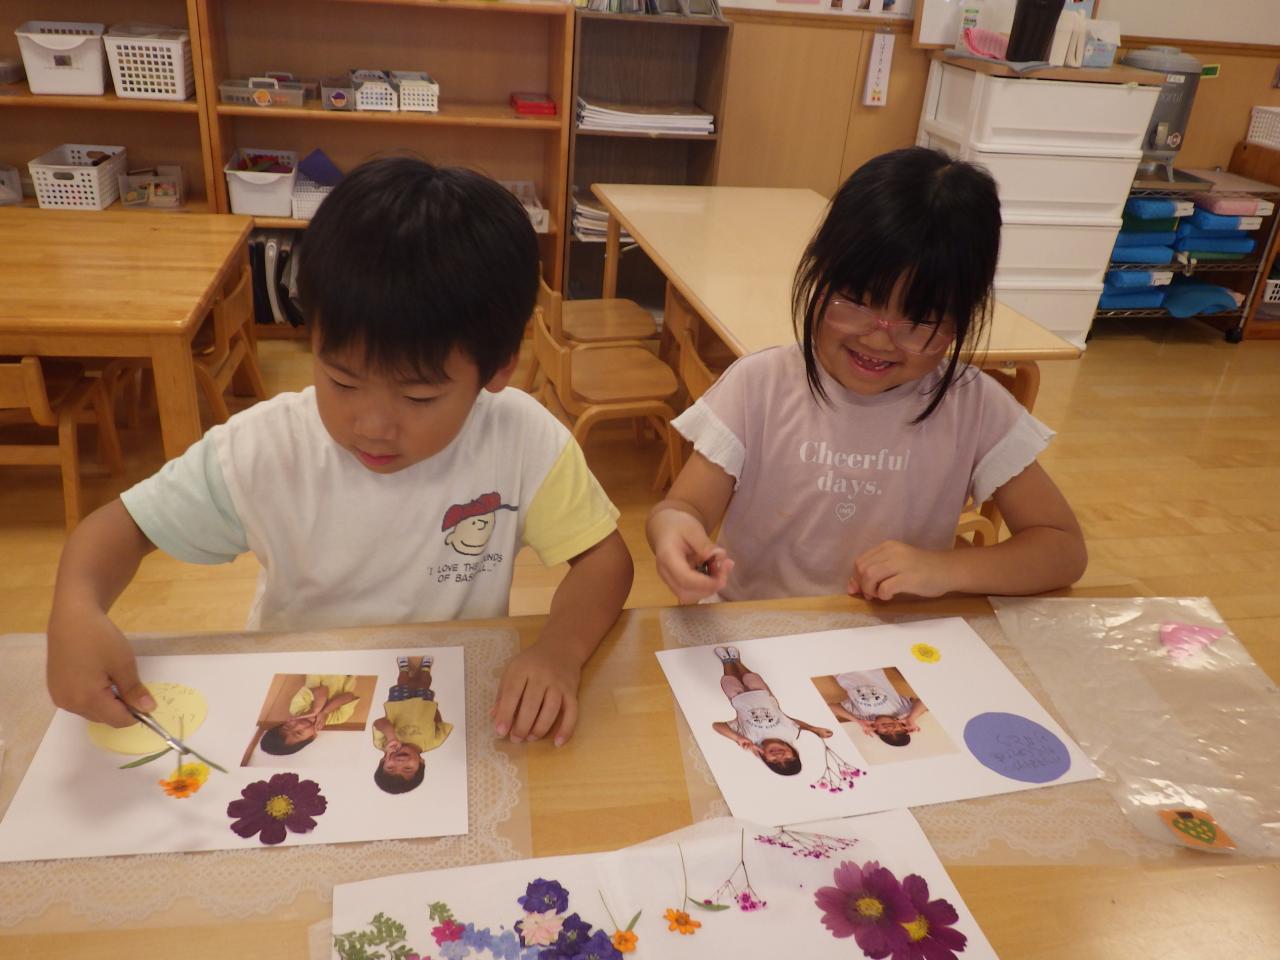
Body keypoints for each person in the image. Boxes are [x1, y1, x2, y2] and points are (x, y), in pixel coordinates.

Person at [46, 158, 633, 749]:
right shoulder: (267, 446)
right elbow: (119, 529)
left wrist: (560, 650)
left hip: (441, 706)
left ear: (498, 369)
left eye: (418, 396)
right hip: (297, 700)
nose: (372, 426)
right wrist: (75, 610)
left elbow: (604, 561)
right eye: (342, 381)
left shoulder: (522, 440)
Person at [646, 146, 1086, 604]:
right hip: (758, 627)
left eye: (919, 319)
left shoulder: (973, 406)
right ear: (818, 275)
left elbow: (1063, 548)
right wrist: (673, 528)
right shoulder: (759, 386)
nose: (879, 338)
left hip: (893, 635)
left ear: (961, 320)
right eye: (856, 300)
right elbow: (683, 507)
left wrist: (946, 567)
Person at [710, 646, 832, 776]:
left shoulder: (749, 738)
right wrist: (813, 729)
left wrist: (738, 738)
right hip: (763, 694)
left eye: (775, 761)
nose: (779, 756)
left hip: (737, 697)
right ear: (794, 753)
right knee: (750, 677)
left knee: (729, 680)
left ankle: (727, 662)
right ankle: (737, 662)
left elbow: (717, 725)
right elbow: (793, 721)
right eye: (787, 759)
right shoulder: (790, 734)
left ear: (765, 759)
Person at [372, 655, 451, 794]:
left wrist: (391, 737)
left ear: (382, 761)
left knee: (402, 683)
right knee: (424, 685)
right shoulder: (433, 742)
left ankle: (404, 669)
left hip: (398, 702)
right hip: (424, 704)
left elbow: (380, 723)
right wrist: (432, 708)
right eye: (407, 768)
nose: (399, 763)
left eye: (391, 768)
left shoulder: (382, 744)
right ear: (421, 763)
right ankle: (425, 669)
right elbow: (439, 724)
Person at [258, 674, 360, 757]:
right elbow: (349, 696)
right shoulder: (337, 719)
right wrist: (325, 712)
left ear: (286, 721)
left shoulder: (296, 708)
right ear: (313, 737)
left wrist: (315, 710)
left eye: (287, 726)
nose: (298, 725)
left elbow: (322, 690)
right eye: (298, 733)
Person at [827, 668, 926, 748]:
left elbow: (831, 707)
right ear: (903, 727)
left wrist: (857, 721)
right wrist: (911, 718)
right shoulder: (903, 710)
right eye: (898, 731)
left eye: (886, 732)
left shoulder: (861, 715)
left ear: (877, 731)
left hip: (841, 671)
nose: (890, 728)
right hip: (871, 665)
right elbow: (924, 702)